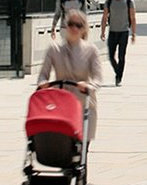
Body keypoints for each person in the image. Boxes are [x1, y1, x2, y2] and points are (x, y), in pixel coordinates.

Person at [38, 9, 102, 142]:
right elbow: (43, 75)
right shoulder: (54, 49)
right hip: (61, 102)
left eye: (78, 25)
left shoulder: (91, 50)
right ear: (66, 25)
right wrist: (43, 84)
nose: (74, 28)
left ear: (84, 29)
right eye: (71, 24)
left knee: (82, 146)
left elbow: (98, 78)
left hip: (83, 102)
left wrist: (88, 86)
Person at [100, 0, 136, 87]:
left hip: (124, 32)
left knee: (121, 56)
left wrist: (133, 33)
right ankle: (118, 71)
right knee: (111, 56)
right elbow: (105, 17)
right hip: (112, 31)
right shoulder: (109, 1)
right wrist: (102, 32)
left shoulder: (129, 1)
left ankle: (118, 77)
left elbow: (133, 17)